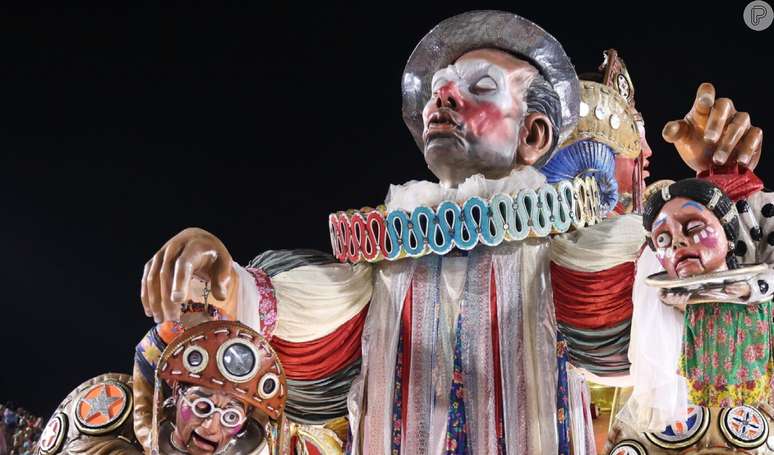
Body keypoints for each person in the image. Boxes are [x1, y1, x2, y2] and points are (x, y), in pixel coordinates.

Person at [136, 11, 763, 455]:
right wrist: (223, 283)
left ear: (535, 137)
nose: (443, 101)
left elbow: (699, 305)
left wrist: (722, 186)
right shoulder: (375, 263)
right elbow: (288, 317)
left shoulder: (577, 253)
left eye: (478, 89)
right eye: (438, 93)